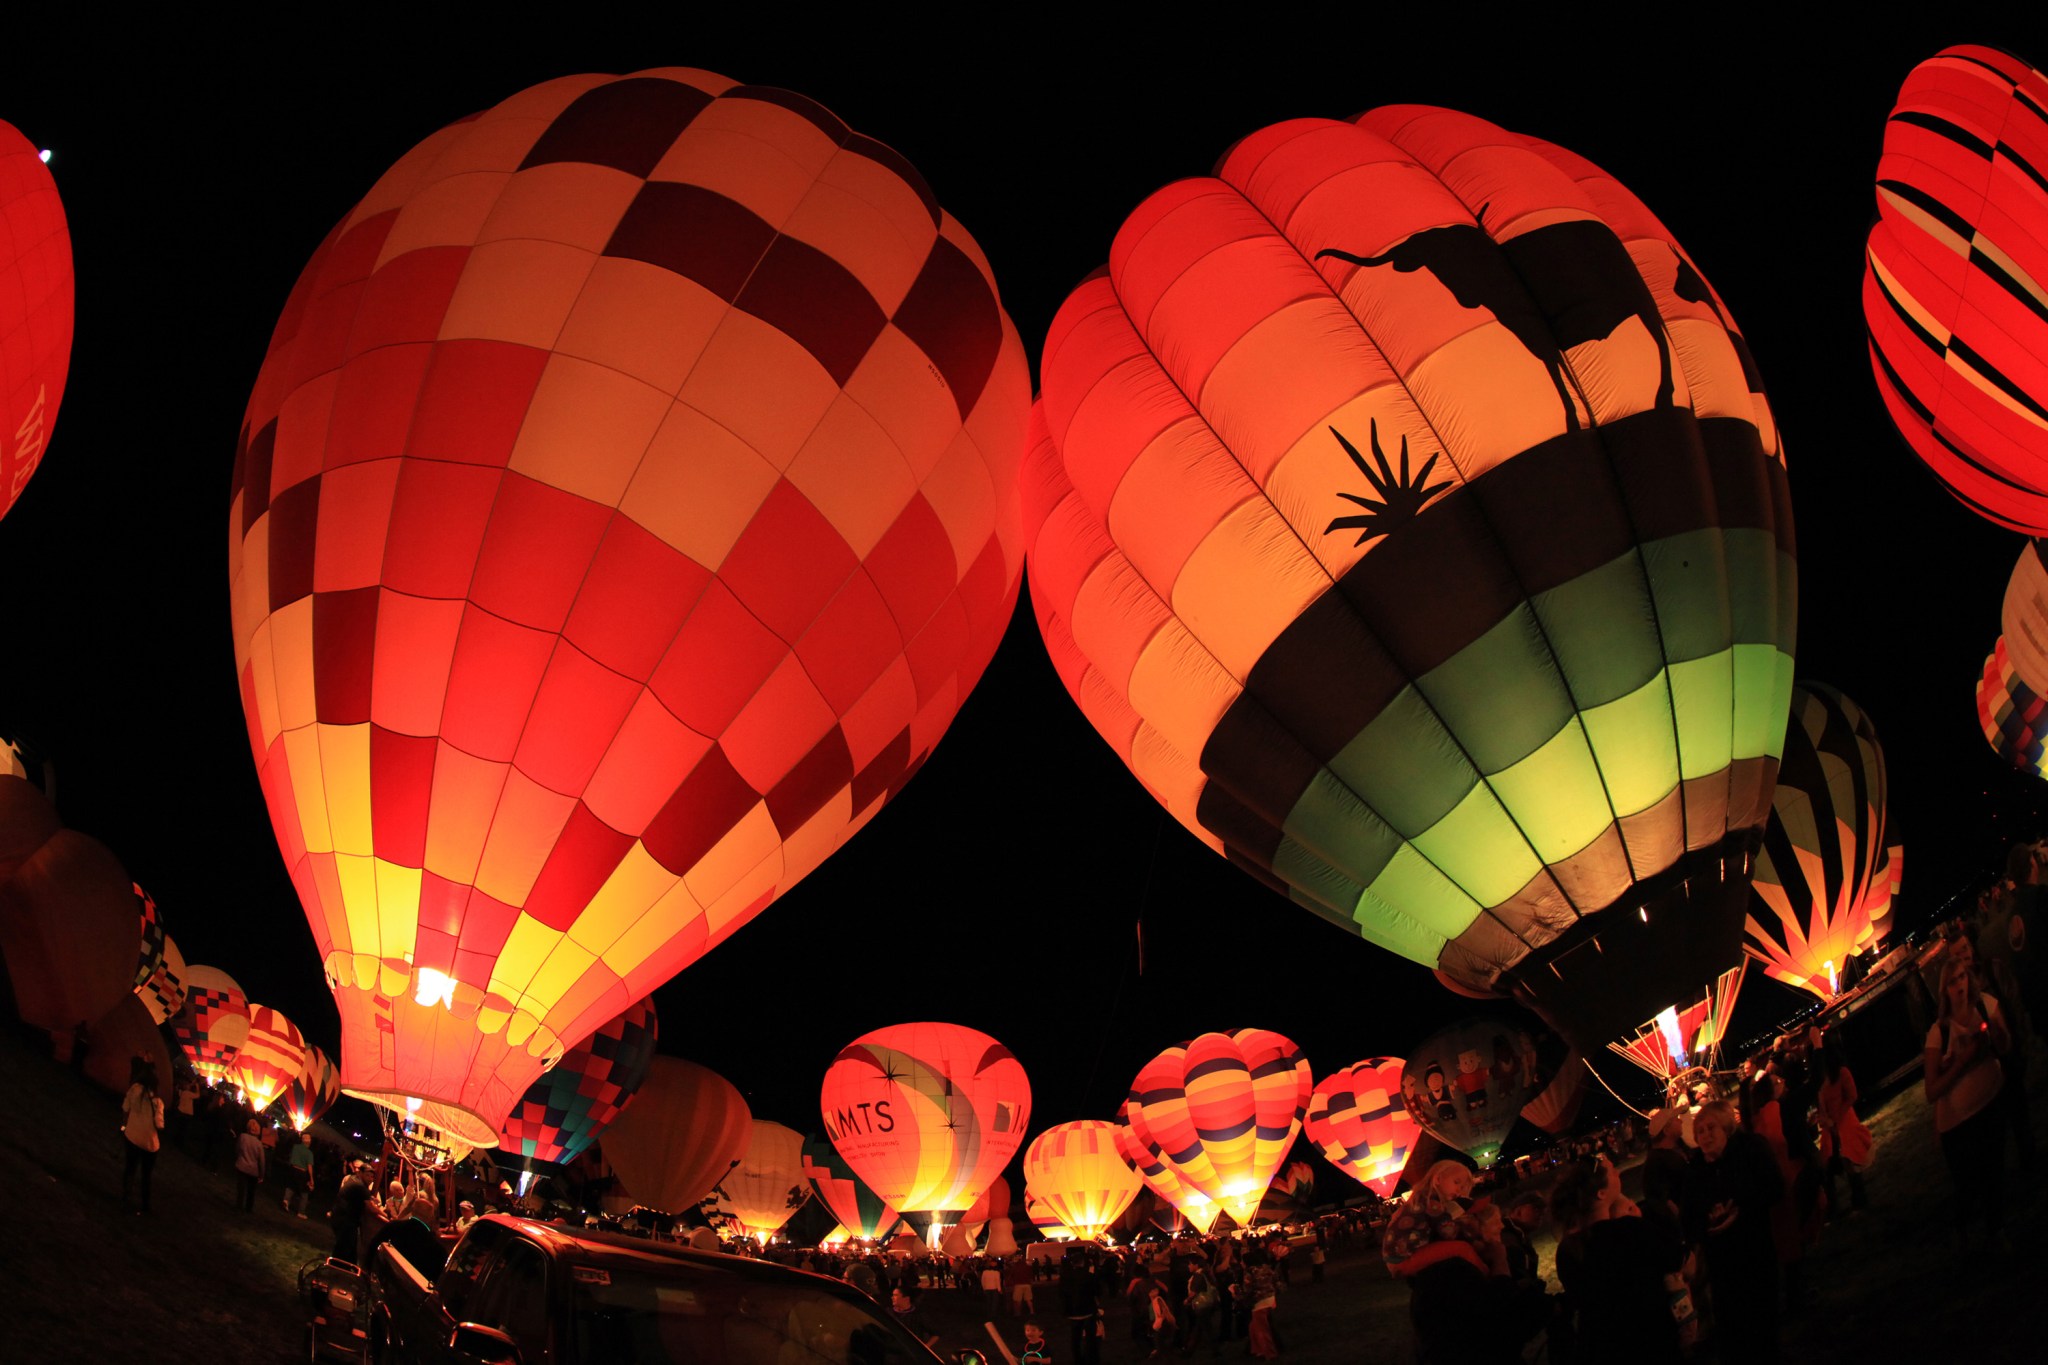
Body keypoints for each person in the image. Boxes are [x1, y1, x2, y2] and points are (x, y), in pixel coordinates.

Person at [1924, 953, 2012, 1250]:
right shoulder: (1939, 1032)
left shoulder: (1986, 1006)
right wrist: (1963, 1059)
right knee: (1970, 1185)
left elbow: (2005, 1045)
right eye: (1951, 981)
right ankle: (1962, 1227)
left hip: (1992, 1101)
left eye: (1962, 977)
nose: (1959, 985)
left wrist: (1997, 1035)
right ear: (1944, 990)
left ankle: (1996, 1232)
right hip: (1958, 1123)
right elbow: (1932, 1090)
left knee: (1994, 1172)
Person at [1685, 1100, 1783, 1364]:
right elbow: (1689, 1215)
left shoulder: (1751, 1149)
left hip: (1755, 1251)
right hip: (1722, 1264)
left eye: (1710, 1128)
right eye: (1700, 1131)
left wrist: (1740, 1208)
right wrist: (1709, 1220)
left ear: (1727, 1128)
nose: (1705, 1136)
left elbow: (1774, 1187)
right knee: (1732, 1329)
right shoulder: (1695, 1170)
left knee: (1763, 1323)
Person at [1815, 1035, 1872, 1217]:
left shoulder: (1841, 1073)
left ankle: (1859, 1201)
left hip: (1844, 1121)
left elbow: (1852, 1096)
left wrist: (1836, 1118)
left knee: (1849, 1161)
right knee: (1827, 1164)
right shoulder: (1821, 1080)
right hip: (1829, 1126)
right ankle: (1833, 1207)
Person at [119, 1061, 165, 1214]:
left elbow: (125, 1108)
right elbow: (159, 1124)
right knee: (146, 1175)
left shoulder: (134, 1090)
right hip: (149, 1144)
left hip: (131, 1135)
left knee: (130, 1168)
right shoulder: (158, 1102)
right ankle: (145, 1205)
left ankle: (125, 1195)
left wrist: (124, 1125)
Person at [1059, 1252, 1103, 1365]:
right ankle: (1090, 1359)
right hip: (1087, 1311)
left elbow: (1061, 1294)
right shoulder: (1089, 1276)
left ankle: (1077, 1360)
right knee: (1090, 1338)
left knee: (1075, 1338)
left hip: (1072, 1312)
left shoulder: (1064, 1277)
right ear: (1083, 1262)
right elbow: (1097, 1291)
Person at [331, 1157, 371, 1261]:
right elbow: (371, 1207)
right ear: (360, 1173)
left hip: (341, 1216)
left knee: (349, 1247)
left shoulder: (353, 1180)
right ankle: (337, 1268)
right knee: (345, 1247)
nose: (370, 1178)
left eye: (372, 1176)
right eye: (367, 1175)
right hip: (345, 1219)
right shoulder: (360, 1185)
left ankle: (345, 1267)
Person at [891, 1287, 939, 1353]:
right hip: (892, 1353)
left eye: (895, 1295)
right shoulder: (889, 1312)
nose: (892, 1297)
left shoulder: (918, 1314)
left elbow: (936, 1333)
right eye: (893, 1295)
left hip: (910, 1354)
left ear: (906, 1298)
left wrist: (925, 1348)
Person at [233, 1117, 267, 1213]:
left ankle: (238, 1206)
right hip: (253, 1170)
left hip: (241, 1166)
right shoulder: (259, 1144)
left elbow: (237, 1149)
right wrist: (261, 1175)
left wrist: (238, 1158)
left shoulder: (242, 1137)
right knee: (251, 1192)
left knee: (241, 1190)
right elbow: (262, 1161)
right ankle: (248, 1208)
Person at [283, 1130, 316, 1216]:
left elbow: (290, 1157)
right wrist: (311, 1178)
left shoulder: (295, 1147)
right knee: (304, 1193)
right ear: (309, 1141)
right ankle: (301, 1212)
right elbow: (309, 1166)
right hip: (302, 1172)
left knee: (290, 1186)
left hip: (292, 1169)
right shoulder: (309, 1153)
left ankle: (286, 1201)